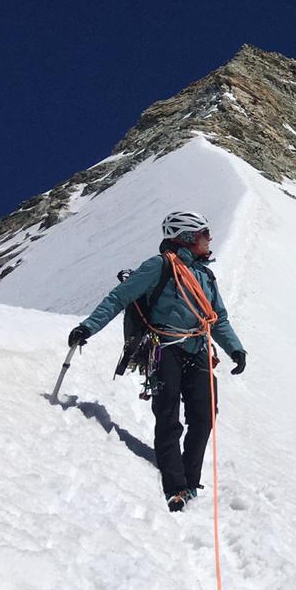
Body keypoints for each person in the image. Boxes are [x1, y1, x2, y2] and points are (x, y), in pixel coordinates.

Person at [69, 211, 247, 512]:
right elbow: (119, 297)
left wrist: (236, 349)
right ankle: (175, 486)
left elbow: (218, 319)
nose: (210, 238)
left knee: (204, 416)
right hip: (164, 347)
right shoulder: (159, 266)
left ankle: (190, 481)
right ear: (188, 237)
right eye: (205, 233)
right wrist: (88, 327)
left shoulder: (206, 275)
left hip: (198, 349)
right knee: (168, 415)